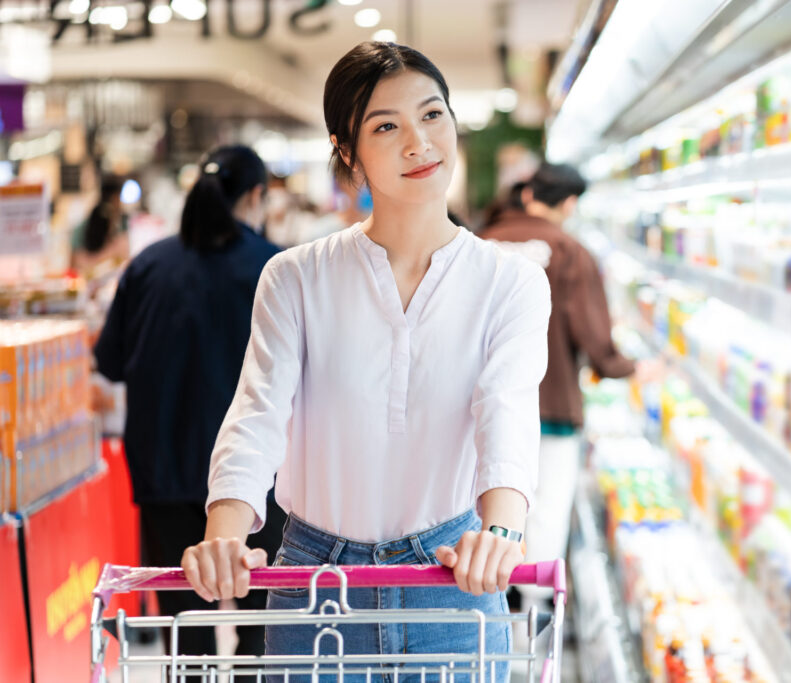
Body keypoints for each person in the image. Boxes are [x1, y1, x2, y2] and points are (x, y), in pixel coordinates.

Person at [179, 42, 551, 683]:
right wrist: (225, 532)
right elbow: (258, 413)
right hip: (314, 583)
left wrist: (502, 534)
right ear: (346, 150)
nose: (419, 143)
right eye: (386, 127)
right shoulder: (296, 277)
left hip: (451, 579)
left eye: (432, 115)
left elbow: (507, 413)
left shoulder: (510, 281)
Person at [93, 145, 286, 664]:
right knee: (262, 634)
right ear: (256, 197)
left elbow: (110, 362)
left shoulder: (147, 266)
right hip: (260, 486)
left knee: (184, 637)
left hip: (166, 477)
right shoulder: (277, 268)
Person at [479, 162, 637, 615]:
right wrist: (623, 367)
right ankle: (533, 611)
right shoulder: (570, 251)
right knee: (546, 508)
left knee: (486, 503)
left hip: (482, 404)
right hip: (551, 403)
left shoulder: (480, 243)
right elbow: (595, 337)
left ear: (528, 194)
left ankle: (490, 597)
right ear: (569, 204)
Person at [71, 174, 130, 275]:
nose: (120, 203)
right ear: (114, 197)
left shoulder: (84, 224)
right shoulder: (114, 224)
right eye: (119, 198)